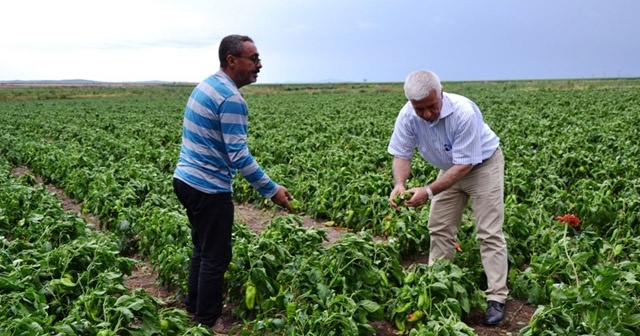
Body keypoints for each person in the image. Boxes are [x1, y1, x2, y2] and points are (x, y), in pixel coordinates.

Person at [172, 34, 293, 332]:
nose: (259, 65)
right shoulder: (230, 99)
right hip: (208, 188)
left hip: (186, 180)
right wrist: (272, 190)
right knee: (216, 255)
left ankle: (194, 308)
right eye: (253, 59)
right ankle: (206, 322)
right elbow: (239, 155)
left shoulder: (207, 85)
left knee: (202, 248)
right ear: (231, 60)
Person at [387, 70, 509, 325]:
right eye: (420, 109)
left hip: (482, 166)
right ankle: (437, 286)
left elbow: (465, 165)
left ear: (441, 93)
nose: (427, 114)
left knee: (488, 231)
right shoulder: (408, 115)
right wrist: (399, 184)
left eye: (432, 106)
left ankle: (496, 296)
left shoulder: (464, 112)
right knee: (440, 227)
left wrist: (429, 191)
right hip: (450, 168)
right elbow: (401, 154)